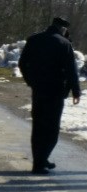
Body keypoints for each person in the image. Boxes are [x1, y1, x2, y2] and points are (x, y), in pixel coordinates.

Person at [18, 16, 81, 174]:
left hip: (38, 90)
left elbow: (22, 63)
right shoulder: (64, 44)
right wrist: (76, 91)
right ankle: (40, 163)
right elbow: (71, 70)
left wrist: (30, 80)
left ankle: (40, 160)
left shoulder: (34, 39)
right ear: (63, 29)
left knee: (38, 127)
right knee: (52, 129)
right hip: (56, 91)